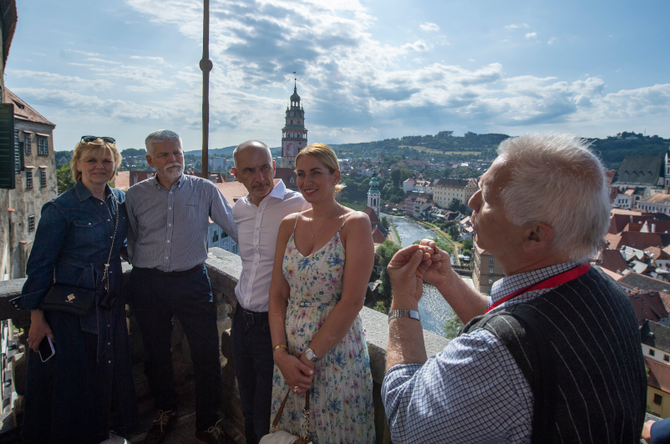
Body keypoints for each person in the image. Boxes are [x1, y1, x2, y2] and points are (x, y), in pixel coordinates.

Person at [382, 132, 647, 443]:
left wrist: (403, 301)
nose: (472, 201)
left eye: (487, 197)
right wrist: (447, 280)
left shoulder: (493, 355)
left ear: (534, 234)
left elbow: (405, 419)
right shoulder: (604, 292)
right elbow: (521, 326)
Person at [12, 136, 138, 443]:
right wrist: (37, 318)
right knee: (74, 379)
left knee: (105, 372)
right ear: (78, 164)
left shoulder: (119, 201)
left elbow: (122, 247)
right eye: (92, 160)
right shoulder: (61, 208)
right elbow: (39, 267)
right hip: (73, 308)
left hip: (106, 303)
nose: (99, 166)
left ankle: (102, 433)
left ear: (115, 165)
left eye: (106, 161)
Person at [125, 130, 238, 444]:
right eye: (163, 155)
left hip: (191, 281)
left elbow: (234, 227)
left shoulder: (204, 190)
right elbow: (131, 238)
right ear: (150, 160)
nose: (172, 159)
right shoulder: (135, 195)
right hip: (147, 283)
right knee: (155, 354)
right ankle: (164, 413)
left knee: (206, 355)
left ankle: (208, 423)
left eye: (177, 153)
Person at [268, 143, 376, 443]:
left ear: (335, 176)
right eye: (301, 174)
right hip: (289, 358)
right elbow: (277, 294)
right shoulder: (289, 225)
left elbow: (353, 301)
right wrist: (280, 355)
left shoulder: (354, 223)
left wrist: (309, 358)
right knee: (292, 434)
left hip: (335, 356)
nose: (306, 182)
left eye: (316, 173)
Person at [230, 140, 309, 444]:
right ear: (237, 174)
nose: (260, 177)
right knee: (247, 403)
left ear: (274, 167)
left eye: (264, 167)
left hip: (272, 327)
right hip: (241, 319)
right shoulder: (239, 209)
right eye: (250, 170)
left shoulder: (299, 205)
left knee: (266, 411)